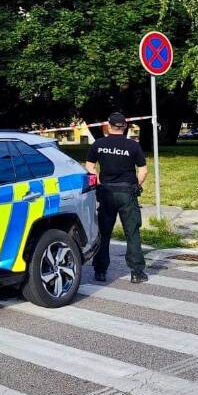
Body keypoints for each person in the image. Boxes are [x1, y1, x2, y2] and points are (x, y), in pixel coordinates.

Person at [85, 112, 148, 283]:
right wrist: (137, 185)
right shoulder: (133, 146)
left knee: (104, 233)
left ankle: (100, 271)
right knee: (132, 232)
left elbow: (90, 166)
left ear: (108, 125)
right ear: (125, 127)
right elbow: (143, 170)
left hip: (106, 192)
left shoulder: (99, 144)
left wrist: (98, 182)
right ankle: (137, 272)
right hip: (127, 193)